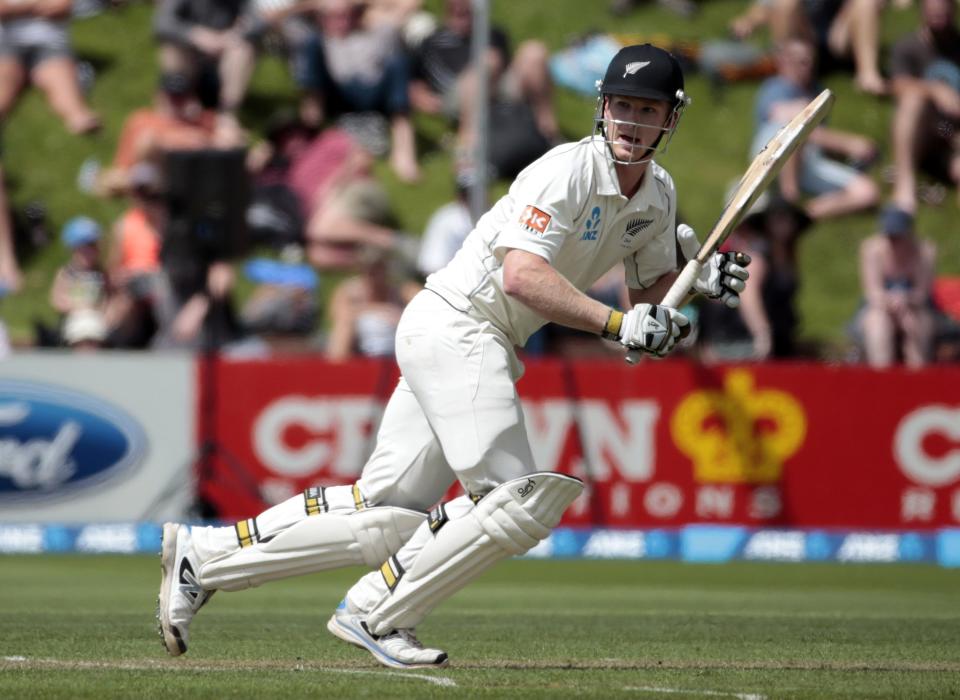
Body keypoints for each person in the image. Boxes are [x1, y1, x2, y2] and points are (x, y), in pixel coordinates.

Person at [156, 44, 750, 669]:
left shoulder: (657, 194)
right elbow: (523, 276)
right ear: (602, 108)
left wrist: (697, 283)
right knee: (514, 497)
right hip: (459, 323)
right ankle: (376, 614)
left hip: (469, 335)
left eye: (647, 109)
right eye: (622, 106)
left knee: (386, 516)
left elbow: (652, 302)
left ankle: (205, 556)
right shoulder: (565, 172)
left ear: (670, 119)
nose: (631, 122)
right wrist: (618, 323)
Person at [409, 0, 558, 178]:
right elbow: (413, 83)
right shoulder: (432, 41)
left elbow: (508, 68)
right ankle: (467, 145)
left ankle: (549, 133)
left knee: (534, 52)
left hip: (497, 91)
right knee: (487, 62)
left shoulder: (492, 34)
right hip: (456, 97)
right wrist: (424, 100)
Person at [753, 37, 880, 220]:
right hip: (770, 156)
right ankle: (789, 198)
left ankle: (802, 216)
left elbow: (815, 137)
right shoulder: (774, 87)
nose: (809, 67)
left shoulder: (816, 92)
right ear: (785, 61)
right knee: (793, 131)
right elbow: (790, 122)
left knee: (867, 192)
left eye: (811, 61)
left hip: (809, 161)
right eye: (802, 61)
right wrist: (847, 144)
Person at [294, 0, 420, 182]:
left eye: (348, 15)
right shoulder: (320, 39)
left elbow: (409, 5)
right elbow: (281, 12)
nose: (343, 22)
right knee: (311, 45)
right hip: (336, 95)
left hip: (373, 94)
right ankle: (308, 134)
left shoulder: (378, 31)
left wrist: (356, 5)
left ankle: (404, 151)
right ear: (323, 18)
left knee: (399, 64)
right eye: (335, 17)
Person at [152, 0, 262, 140]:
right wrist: (195, 35)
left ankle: (228, 115)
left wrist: (233, 37)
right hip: (191, 55)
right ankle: (178, 104)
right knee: (172, 47)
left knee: (243, 49)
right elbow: (162, 23)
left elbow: (258, 22)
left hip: (225, 53)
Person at [888, 0, 960, 213]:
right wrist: (934, 90)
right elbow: (898, 86)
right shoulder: (908, 46)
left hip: (949, 133)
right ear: (923, 12)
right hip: (926, 128)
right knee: (913, 98)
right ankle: (904, 183)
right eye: (933, 12)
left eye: (943, 12)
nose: (938, 17)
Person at [729, 0, 888, 96]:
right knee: (786, 4)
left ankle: (868, 75)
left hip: (837, 36)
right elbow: (765, 7)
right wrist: (748, 21)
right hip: (804, 38)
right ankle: (788, 73)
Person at [853, 204, 936, 368]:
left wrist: (906, 300)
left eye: (897, 237)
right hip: (879, 308)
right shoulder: (872, 250)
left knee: (917, 324)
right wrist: (892, 302)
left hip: (915, 307)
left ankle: (918, 378)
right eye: (889, 236)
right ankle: (882, 379)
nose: (893, 242)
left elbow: (922, 293)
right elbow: (873, 293)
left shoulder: (924, 251)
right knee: (879, 324)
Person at [0, 0, 101, 134]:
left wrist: (20, 9)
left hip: (50, 43)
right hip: (8, 45)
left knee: (59, 76)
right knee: (5, 80)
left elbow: (61, 7)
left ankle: (77, 116)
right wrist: (36, 6)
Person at [325, 249, 420, 361]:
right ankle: (337, 370)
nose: (373, 275)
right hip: (360, 347)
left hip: (396, 346)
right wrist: (380, 309)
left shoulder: (402, 291)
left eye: (377, 269)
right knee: (344, 325)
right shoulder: (349, 292)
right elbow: (336, 316)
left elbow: (430, 308)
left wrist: (401, 318)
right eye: (368, 270)